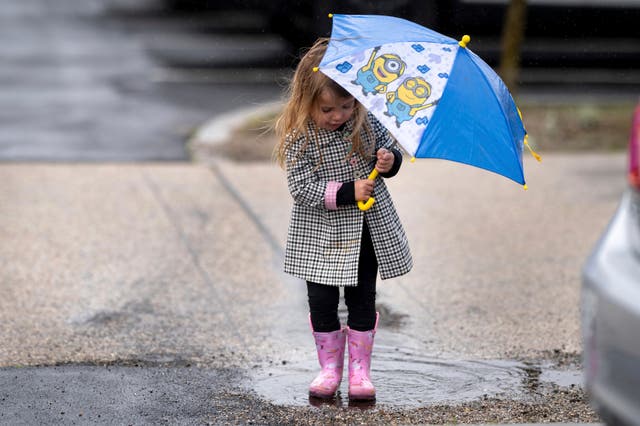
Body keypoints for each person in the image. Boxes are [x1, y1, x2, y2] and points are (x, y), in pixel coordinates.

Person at [274, 38, 413, 402]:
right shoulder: (300, 139)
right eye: (327, 109)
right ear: (307, 102)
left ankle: (360, 372)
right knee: (321, 301)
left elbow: (392, 153)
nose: (338, 116)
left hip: (365, 231)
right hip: (319, 234)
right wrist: (349, 191)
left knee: (362, 299)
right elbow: (300, 187)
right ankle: (330, 368)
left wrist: (389, 161)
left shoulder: (366, 125)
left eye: (346, 105)